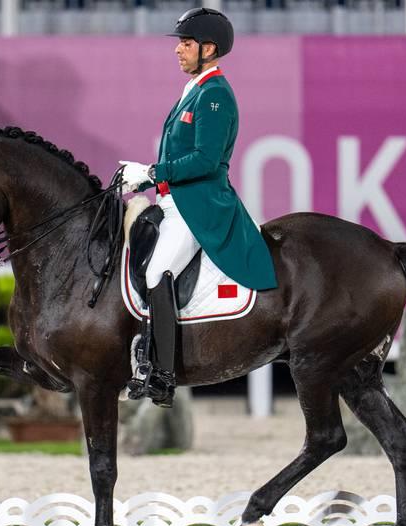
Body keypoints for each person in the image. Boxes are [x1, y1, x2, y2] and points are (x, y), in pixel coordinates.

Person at [119, 7, 277, 408]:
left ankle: (163, 374)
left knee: (158, 271)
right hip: (173, 203)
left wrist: (151, 172)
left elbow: (205, 161)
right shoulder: (194, 90)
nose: (178, 51)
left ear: (210, 48)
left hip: (199, 206)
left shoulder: (215, 96)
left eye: (186, 44)